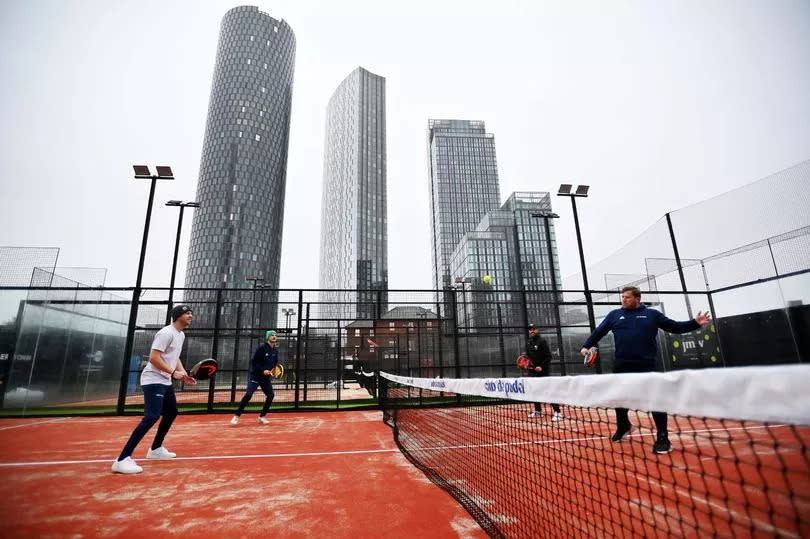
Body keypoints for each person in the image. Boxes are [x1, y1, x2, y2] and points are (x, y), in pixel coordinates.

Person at [580, 286, 711, 454]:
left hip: (647, 365)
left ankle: (663, 438)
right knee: (619, 399)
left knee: (656, 400)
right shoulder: (614, 315)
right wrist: (586, 346)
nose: (623, 299)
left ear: (637, 299)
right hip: (622, 364)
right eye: (623, 297)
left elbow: (675, 327)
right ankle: (624, 426)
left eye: (627, 297)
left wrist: (695, 323)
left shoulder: (652, 315)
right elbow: (599, 331)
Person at [112, 305, 196, 474]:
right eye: (187, 313)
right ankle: (122, 459)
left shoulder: (181, 334)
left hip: (164, 380)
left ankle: (155, 449)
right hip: (153, 379)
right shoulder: (166, 333)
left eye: (191, 313)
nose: (190, 316)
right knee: (152, 416)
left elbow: (175, 355)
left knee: (171, 413)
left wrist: (183, 373)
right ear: (178, 316)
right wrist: (173, 373)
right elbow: (154, 358)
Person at [230, 329, 279, 425]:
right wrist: (262, 370)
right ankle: (236, 416)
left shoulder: (275, 351)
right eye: (272, 335)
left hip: (265, 379)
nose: (274, 336)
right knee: (248, 395)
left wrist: (273, 371)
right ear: (268, 337)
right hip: (255, 376)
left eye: (275, 335)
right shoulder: (262, 348)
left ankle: (262, 417)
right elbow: (254, 362)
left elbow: (274, 363)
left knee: (271, 395)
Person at [524, 323, 563, 421]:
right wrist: (528, 365)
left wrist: (541, 367)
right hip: (532, 371)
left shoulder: (542, 341)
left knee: (549, 391)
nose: (532, 331)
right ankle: (538, 411)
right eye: (530, 329)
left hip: (543, 371)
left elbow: (548, 356)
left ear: (537, 330)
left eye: (534, 329)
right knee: (534, 390)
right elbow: (528, 357)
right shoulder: (528, 342)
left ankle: (557, 413)